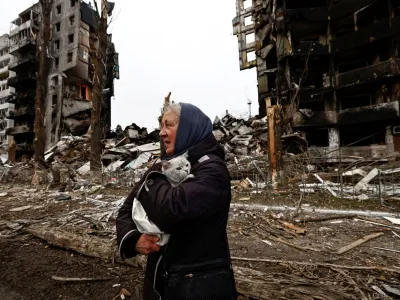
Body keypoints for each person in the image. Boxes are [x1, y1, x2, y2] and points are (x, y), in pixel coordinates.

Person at [116, 102, 237, 300]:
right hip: (159, 279)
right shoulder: (163, 164)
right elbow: (127, 208)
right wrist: (133, 239)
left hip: (200, 285)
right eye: (162, 126)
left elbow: (172, 211)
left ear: (189, 128)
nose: (162, 133)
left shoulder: (212, 170)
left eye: (169, 125)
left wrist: (153, 179)